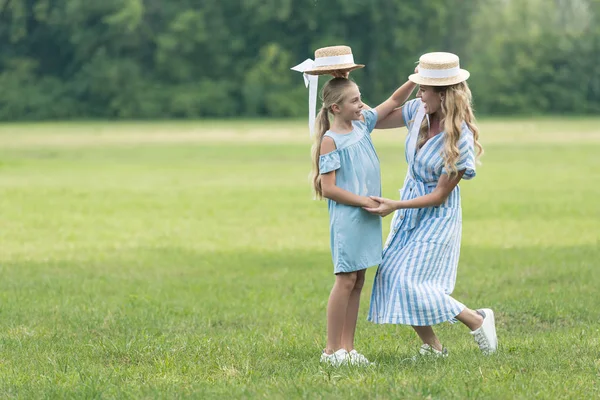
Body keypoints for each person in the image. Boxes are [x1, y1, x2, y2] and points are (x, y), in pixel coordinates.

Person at [364, 52, 497, 357]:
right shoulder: (416, 112)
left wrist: (395, 204)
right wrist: (411, 83)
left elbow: (440, 196)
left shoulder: (459, 138)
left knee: (411, 282)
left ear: (444, 94)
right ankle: (434, 348)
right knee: (389, 275)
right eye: (419, 87)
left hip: (437, 217)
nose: (420, 94)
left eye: (425, 89)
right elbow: (374, 120)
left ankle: (476, 319)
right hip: (409, 213)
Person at [294, 45, 416, 366]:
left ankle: (348, 349)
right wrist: (364, 201)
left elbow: (393, 102)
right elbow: (329, 187)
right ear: (336, 108)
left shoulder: (361, 124)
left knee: (359, 280)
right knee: (345, 280)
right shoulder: (330, 141)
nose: (361, 105)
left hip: (367, 216)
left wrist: (415, 79)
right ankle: (331, 350)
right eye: (355, 101)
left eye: (360, 98)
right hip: (350, 218)